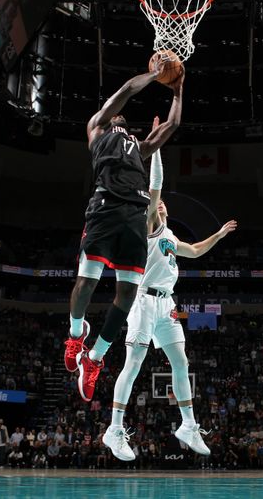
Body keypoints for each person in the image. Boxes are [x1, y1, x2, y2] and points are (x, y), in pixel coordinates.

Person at [102, 150, 237, 461]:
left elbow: (197, 250)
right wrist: (159, 147)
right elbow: (156, 184)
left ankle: (188, 425)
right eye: (156, 202)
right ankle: (114, 428)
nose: (159, 203)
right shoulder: (149, 224)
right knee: (133, 364)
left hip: (168, 304)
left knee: (182, 363)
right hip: (144, 300)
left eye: (162, 203)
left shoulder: (172, 238)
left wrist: (218, 233)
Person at [64, 59, 184, 402]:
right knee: (86, 281)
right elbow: (127, 91)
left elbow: (173, 125)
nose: (119, 115)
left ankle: (95, 358)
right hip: (104, 206)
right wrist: (156, 73)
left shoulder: (139, 145)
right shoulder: (98, 127)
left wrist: (177, 88)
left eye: (122, 116)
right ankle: (75, 336)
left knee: (127, 295)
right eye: (116, 113)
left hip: (135, 215)